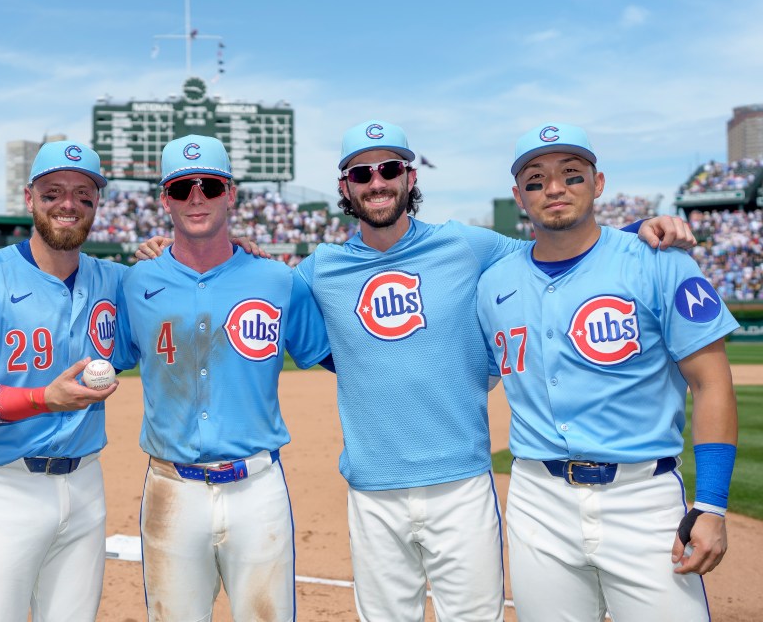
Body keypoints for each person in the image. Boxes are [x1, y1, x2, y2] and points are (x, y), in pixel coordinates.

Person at [290, 120, 697, 621]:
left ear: (410, 178)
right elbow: (272, 302)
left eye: (390, 168)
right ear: (344, 187)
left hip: (461, 481)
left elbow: (558, 246)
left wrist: (637, 232)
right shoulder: (319, 268)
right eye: (362, 173)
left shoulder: (467, 245)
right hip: (373, 485)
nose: (378, 182)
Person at [477, 123, 739, 621]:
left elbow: (711, 382)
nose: (554, 188)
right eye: (535, 180)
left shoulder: (661, 262)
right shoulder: (493, 284)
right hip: (538, 501)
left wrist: (713, 505)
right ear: (518, 197)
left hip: (644, 499)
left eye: (571, 175)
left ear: (598, 184)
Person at [113, 135, 331, 621]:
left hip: (257, 488)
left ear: (230, 194)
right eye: (181, 187)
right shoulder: (135, 281)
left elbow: (340, 358)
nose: (196, 197)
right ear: (164, 198)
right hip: (171, 488)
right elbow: (105, 357)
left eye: (209, 185)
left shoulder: (277, 280)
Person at [0, 140, 122, 622]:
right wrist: (44, 398)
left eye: (84, 193)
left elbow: (184, 284)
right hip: (4, 487)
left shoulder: (116, 281)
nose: (69, 204)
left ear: (97, 203)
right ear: (29, 197)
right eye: (53, 191)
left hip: (85, 486)